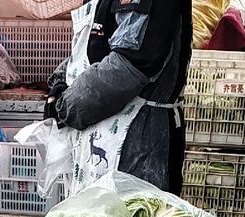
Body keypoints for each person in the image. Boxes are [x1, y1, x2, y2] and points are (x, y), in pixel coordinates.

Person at [46, 0, 193, 192]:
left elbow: (130, 63)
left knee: (133, 216)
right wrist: (58, 85)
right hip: (96, 136)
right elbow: (87, 46)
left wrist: (67, 105)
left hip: (139, 141)